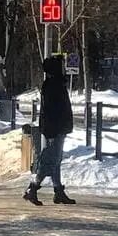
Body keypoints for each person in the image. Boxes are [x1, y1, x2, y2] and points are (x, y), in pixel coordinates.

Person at [24, 56, 75, 206]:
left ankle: (58, 191)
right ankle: (32, 189)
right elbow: (52, 111)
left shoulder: (55, 84)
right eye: (61, 66)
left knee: (56, 160)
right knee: (50, 160)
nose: (64, 68)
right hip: (55, 129)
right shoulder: (53, 85)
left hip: (57, 128)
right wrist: (54, 129)